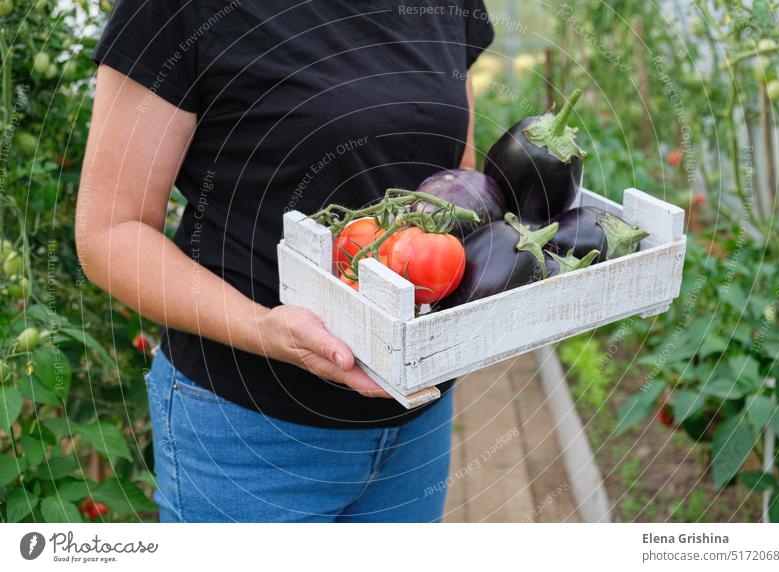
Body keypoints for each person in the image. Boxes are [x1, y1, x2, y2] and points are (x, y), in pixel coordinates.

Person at [76, 0, 494, 522]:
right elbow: (110, 233)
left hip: (417, 421)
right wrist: (268, 330)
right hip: (249, 436)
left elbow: (455, 175)